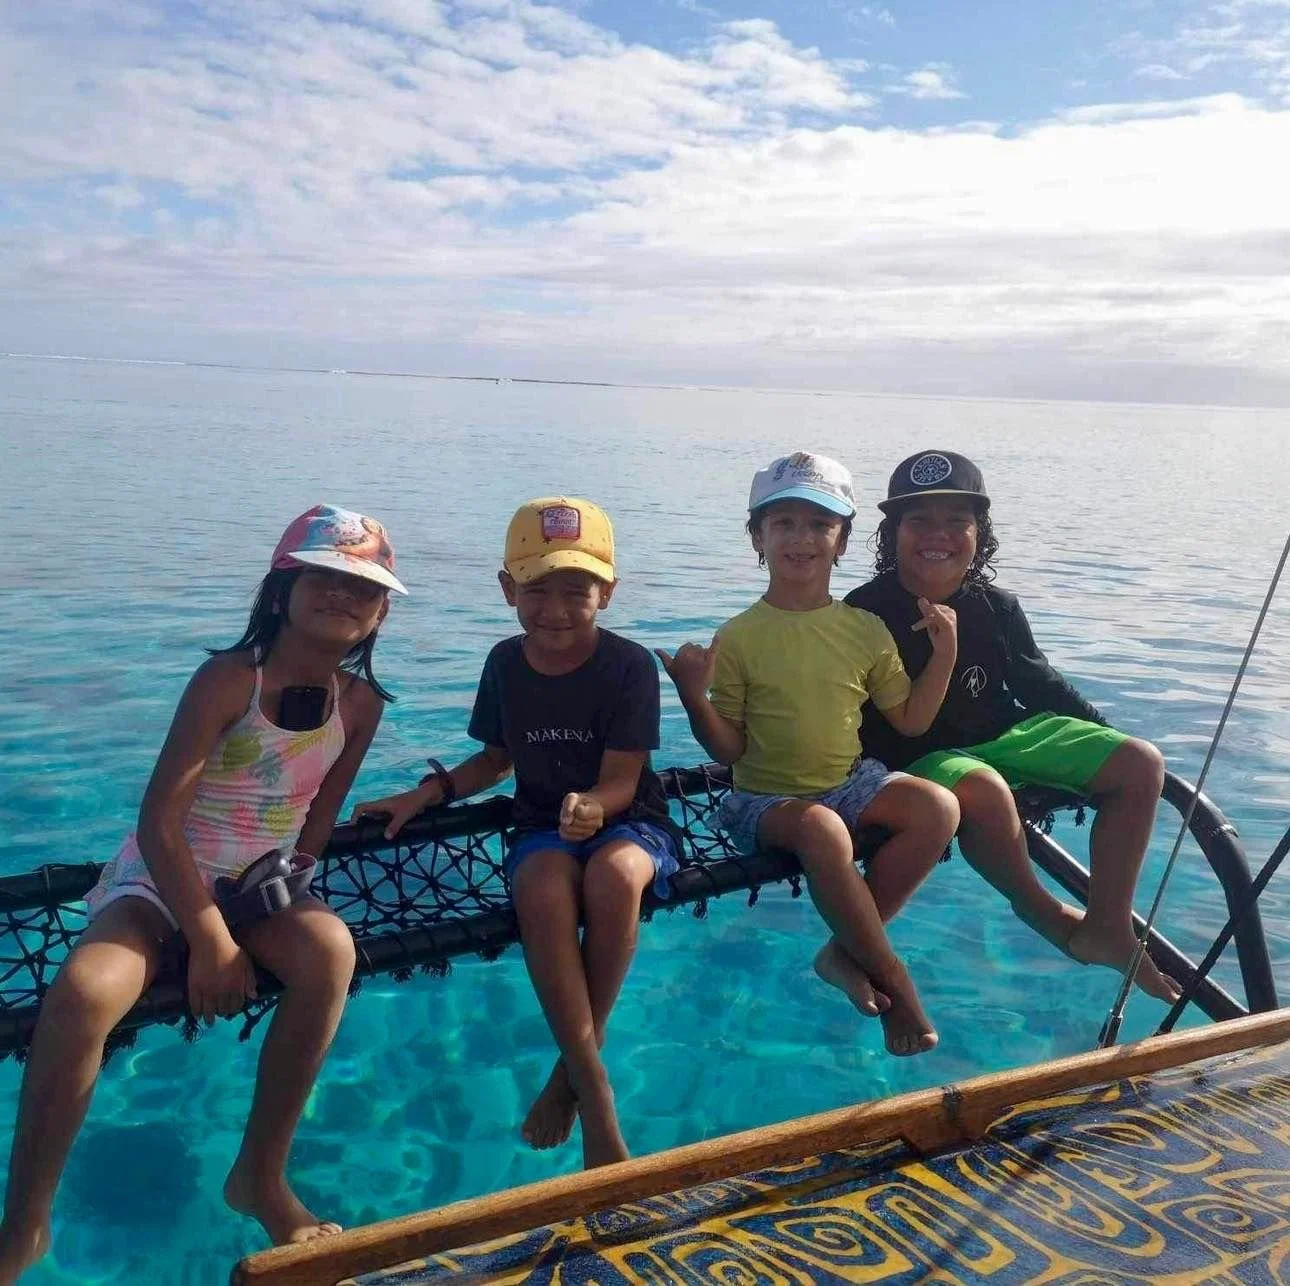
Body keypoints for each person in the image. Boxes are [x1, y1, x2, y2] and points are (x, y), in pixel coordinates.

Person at [0, 504, 403, 1283]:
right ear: (280, 591)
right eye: (321, 577)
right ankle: (26, 1222)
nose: (342, 596)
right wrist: (212, 939)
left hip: (258, 889)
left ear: (381, 613)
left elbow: (318, 816)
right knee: (85, 993)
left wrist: (289, 886)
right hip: (161, 881)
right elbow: (159, 821)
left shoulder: (360, 706)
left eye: (364, 588)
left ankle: (260, 1174)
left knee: (330, 951)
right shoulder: (230, 681)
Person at [352, 497, 679, 1169]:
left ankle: (578, 1083)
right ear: (508, 589)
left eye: (576, 591)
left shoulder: (629, 665)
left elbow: (624, 778)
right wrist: (428, 793)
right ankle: (590, 1081)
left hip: (631, 820)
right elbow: (495, 761)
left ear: (607, 593)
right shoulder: (504, 662)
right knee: (542, 888)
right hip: (539, 825)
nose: (554, 609)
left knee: (615, 876)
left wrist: (593, 806)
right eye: (536, 590)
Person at [845, 450, 1180, 1002]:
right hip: (920, 756)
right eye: (919, 520)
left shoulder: (995, 607)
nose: (938, 534)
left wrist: (1106, 736)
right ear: (892, 534)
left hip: (1004, 734)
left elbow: (1040, 683)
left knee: (1140, 762)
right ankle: (1043, 912)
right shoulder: (862, 613)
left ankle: (1108, 924)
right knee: (985, 788)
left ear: (979, 534)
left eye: (957, 521)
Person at [658, 452, 960, 1058]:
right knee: (822, 829)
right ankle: (893, 977)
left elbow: (911, 720)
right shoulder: (738, 636)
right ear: (757, 537)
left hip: (847, 784)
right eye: (784, 524)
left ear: (842, 541)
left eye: (820, 524)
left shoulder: (865, 629)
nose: (802, 538)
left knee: (939, 807)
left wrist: (945, 654)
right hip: (763, 801)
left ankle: (844, 953)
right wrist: (693, 696)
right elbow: (730, 748)